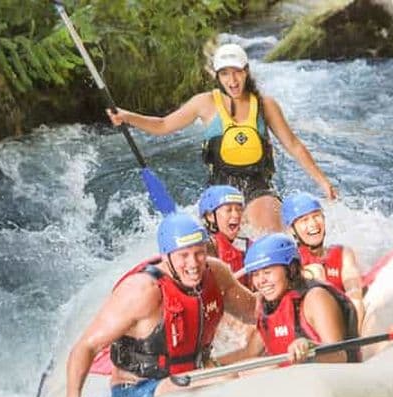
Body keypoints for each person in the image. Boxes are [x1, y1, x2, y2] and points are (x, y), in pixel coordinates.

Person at [106, 42, 337, 233]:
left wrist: (323, 182)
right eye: (225, 74)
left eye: (237, 72)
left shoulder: (266, 105)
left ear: (246, 71)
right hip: (219, 190)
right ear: (217, 76)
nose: (232, 80)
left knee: (270, 235)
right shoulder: (204, 103)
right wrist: (128, 117)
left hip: (258, 187)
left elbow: (294, 146)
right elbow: (163, 125)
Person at [65, 212, 257, 397]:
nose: (193, 263)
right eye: (183, 255)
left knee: (247, 375)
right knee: (225, 379)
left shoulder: (216, 273)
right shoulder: (141, 291)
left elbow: (253, 311)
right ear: (166, 256)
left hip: (189, 376)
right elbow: (86, 346)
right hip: (137, 390)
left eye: (199, 253)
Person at [218, 233, 360, 366]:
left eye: (267, 272)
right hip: (295, 382)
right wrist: (211, 364)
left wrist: (311, 347)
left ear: (291, 269)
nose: (261, 281)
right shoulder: (267, 305)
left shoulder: (315, 299)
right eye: (255, 274)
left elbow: (340, 356)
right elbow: (250, 353)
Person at [281, 191, 365, 332]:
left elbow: (354, 290)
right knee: (315, 271)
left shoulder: (342, 253)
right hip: (307, 325)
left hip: (342, 316)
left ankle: (355, 345)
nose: (313, 224)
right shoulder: (290, 261)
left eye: (316, 216)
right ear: (292, 230)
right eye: (304, 220)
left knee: (356, 301)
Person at [198, 184, 250, 279]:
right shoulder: (207, 246)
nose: (236, 215)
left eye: (239, 210)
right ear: (210, 216)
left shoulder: (247, 244)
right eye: (229, 210)